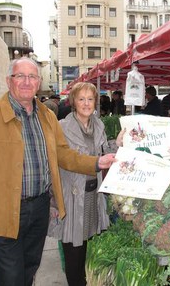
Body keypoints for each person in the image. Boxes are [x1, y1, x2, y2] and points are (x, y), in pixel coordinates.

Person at [0, 57, 116, 286]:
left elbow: (64, 155)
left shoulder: (47, 117)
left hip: (39, 209)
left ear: (39, 82)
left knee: (29, 270)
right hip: (4, 211)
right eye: (19, 76)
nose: (26, 81)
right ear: (8, 81)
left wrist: (96, 162)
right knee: (11, 276)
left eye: (32, 76)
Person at [48, 82, 114, 286]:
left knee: (88, 250)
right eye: (81, 99)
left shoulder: (99, 125)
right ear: (73, 102)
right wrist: (54, 202)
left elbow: (103, 153)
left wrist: (118, 143)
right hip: (72, 198)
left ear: (96, 101)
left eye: (90, 99)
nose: (86, 103)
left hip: (93, 197)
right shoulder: (61, 127)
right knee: (74, 254)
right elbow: (54, 164)